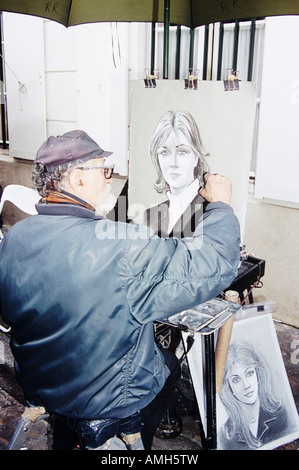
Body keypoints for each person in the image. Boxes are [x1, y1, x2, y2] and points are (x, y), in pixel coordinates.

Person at [0, 129, 240, 450]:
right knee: (167, 365)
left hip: (40, 383)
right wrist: (221, 205)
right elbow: (211, 267)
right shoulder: (122, 243)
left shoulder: (16, 236)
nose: (110, 179)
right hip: (107, 399)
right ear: (77, 180)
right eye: (104, 169)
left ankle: (69, 436)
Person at [144, 110, 210, 238]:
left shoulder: (211, 213)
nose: (173, 163)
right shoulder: (148, 217)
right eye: (164, 152)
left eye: (182, 152)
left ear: (196, 156)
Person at [218, 340, 288, 449]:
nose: (246, 385)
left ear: (258, 375)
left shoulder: (280, 414)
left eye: (249, 373)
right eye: (236, 379)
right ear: (229, 388)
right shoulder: (226, 434)